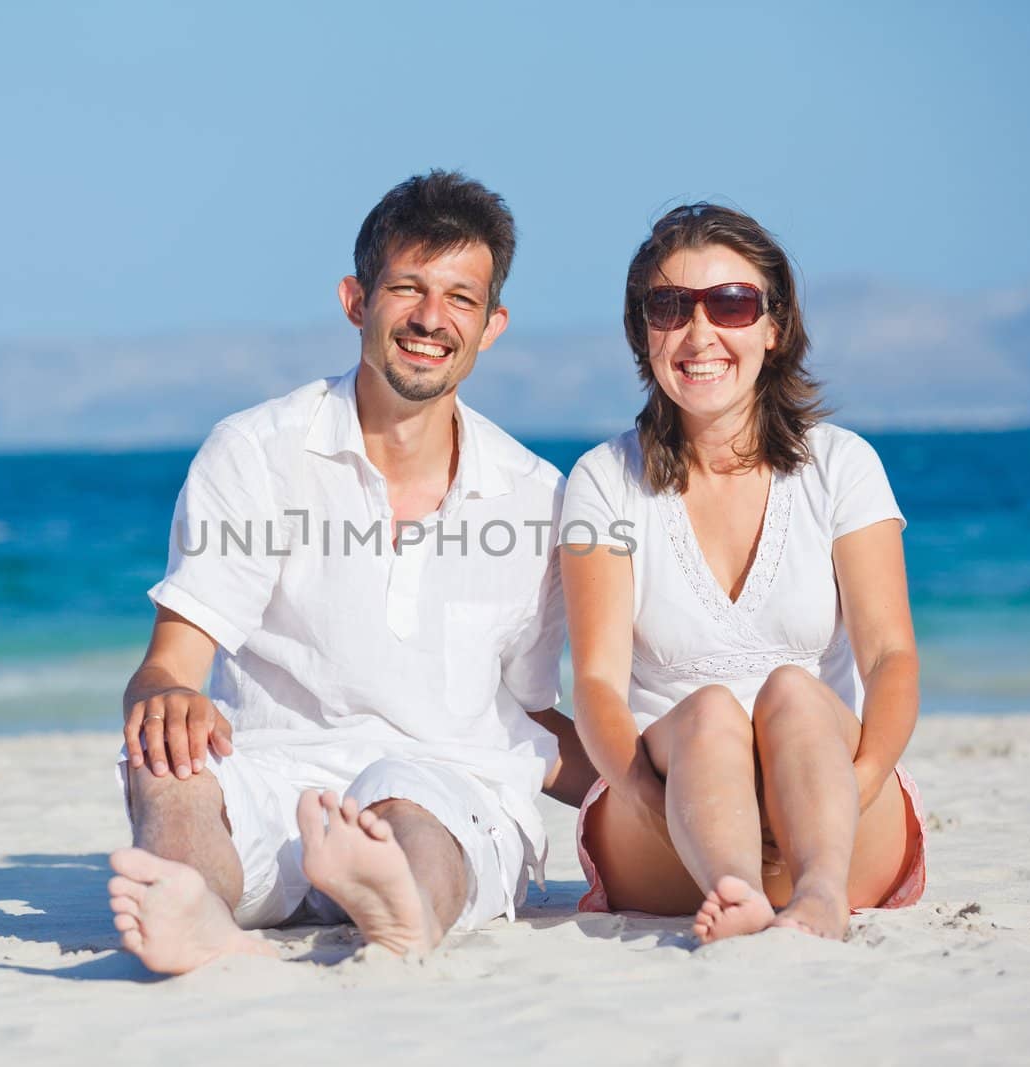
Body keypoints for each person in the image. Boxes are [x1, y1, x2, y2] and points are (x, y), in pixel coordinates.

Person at [107, 171, 595, 974]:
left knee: (411, 800)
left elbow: (529, 717)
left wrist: (667, 796)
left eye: (460, 298)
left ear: (493, 324)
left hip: (445, 780)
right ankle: (195, 903)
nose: (432, 319)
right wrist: (164, 703)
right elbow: (171, 666)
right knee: (173, 760)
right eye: (407, 288)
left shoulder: (537, 496)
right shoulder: (257, 452)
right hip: (277, 767)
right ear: (355, 299)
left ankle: (399, 906)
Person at [560, 203, 926, 943]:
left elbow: (890, 656)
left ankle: (819, 896)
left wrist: (852, 791)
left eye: (730, 303)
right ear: (643, 332)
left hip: (835, 819)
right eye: (669, 307)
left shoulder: (843, 467)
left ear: (774, 327)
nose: (700, 334)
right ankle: (733, 892)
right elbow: (597, 682)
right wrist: (643, 798)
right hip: (667, 832)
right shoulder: (603, 480)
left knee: (793, 690)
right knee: (709, 710)